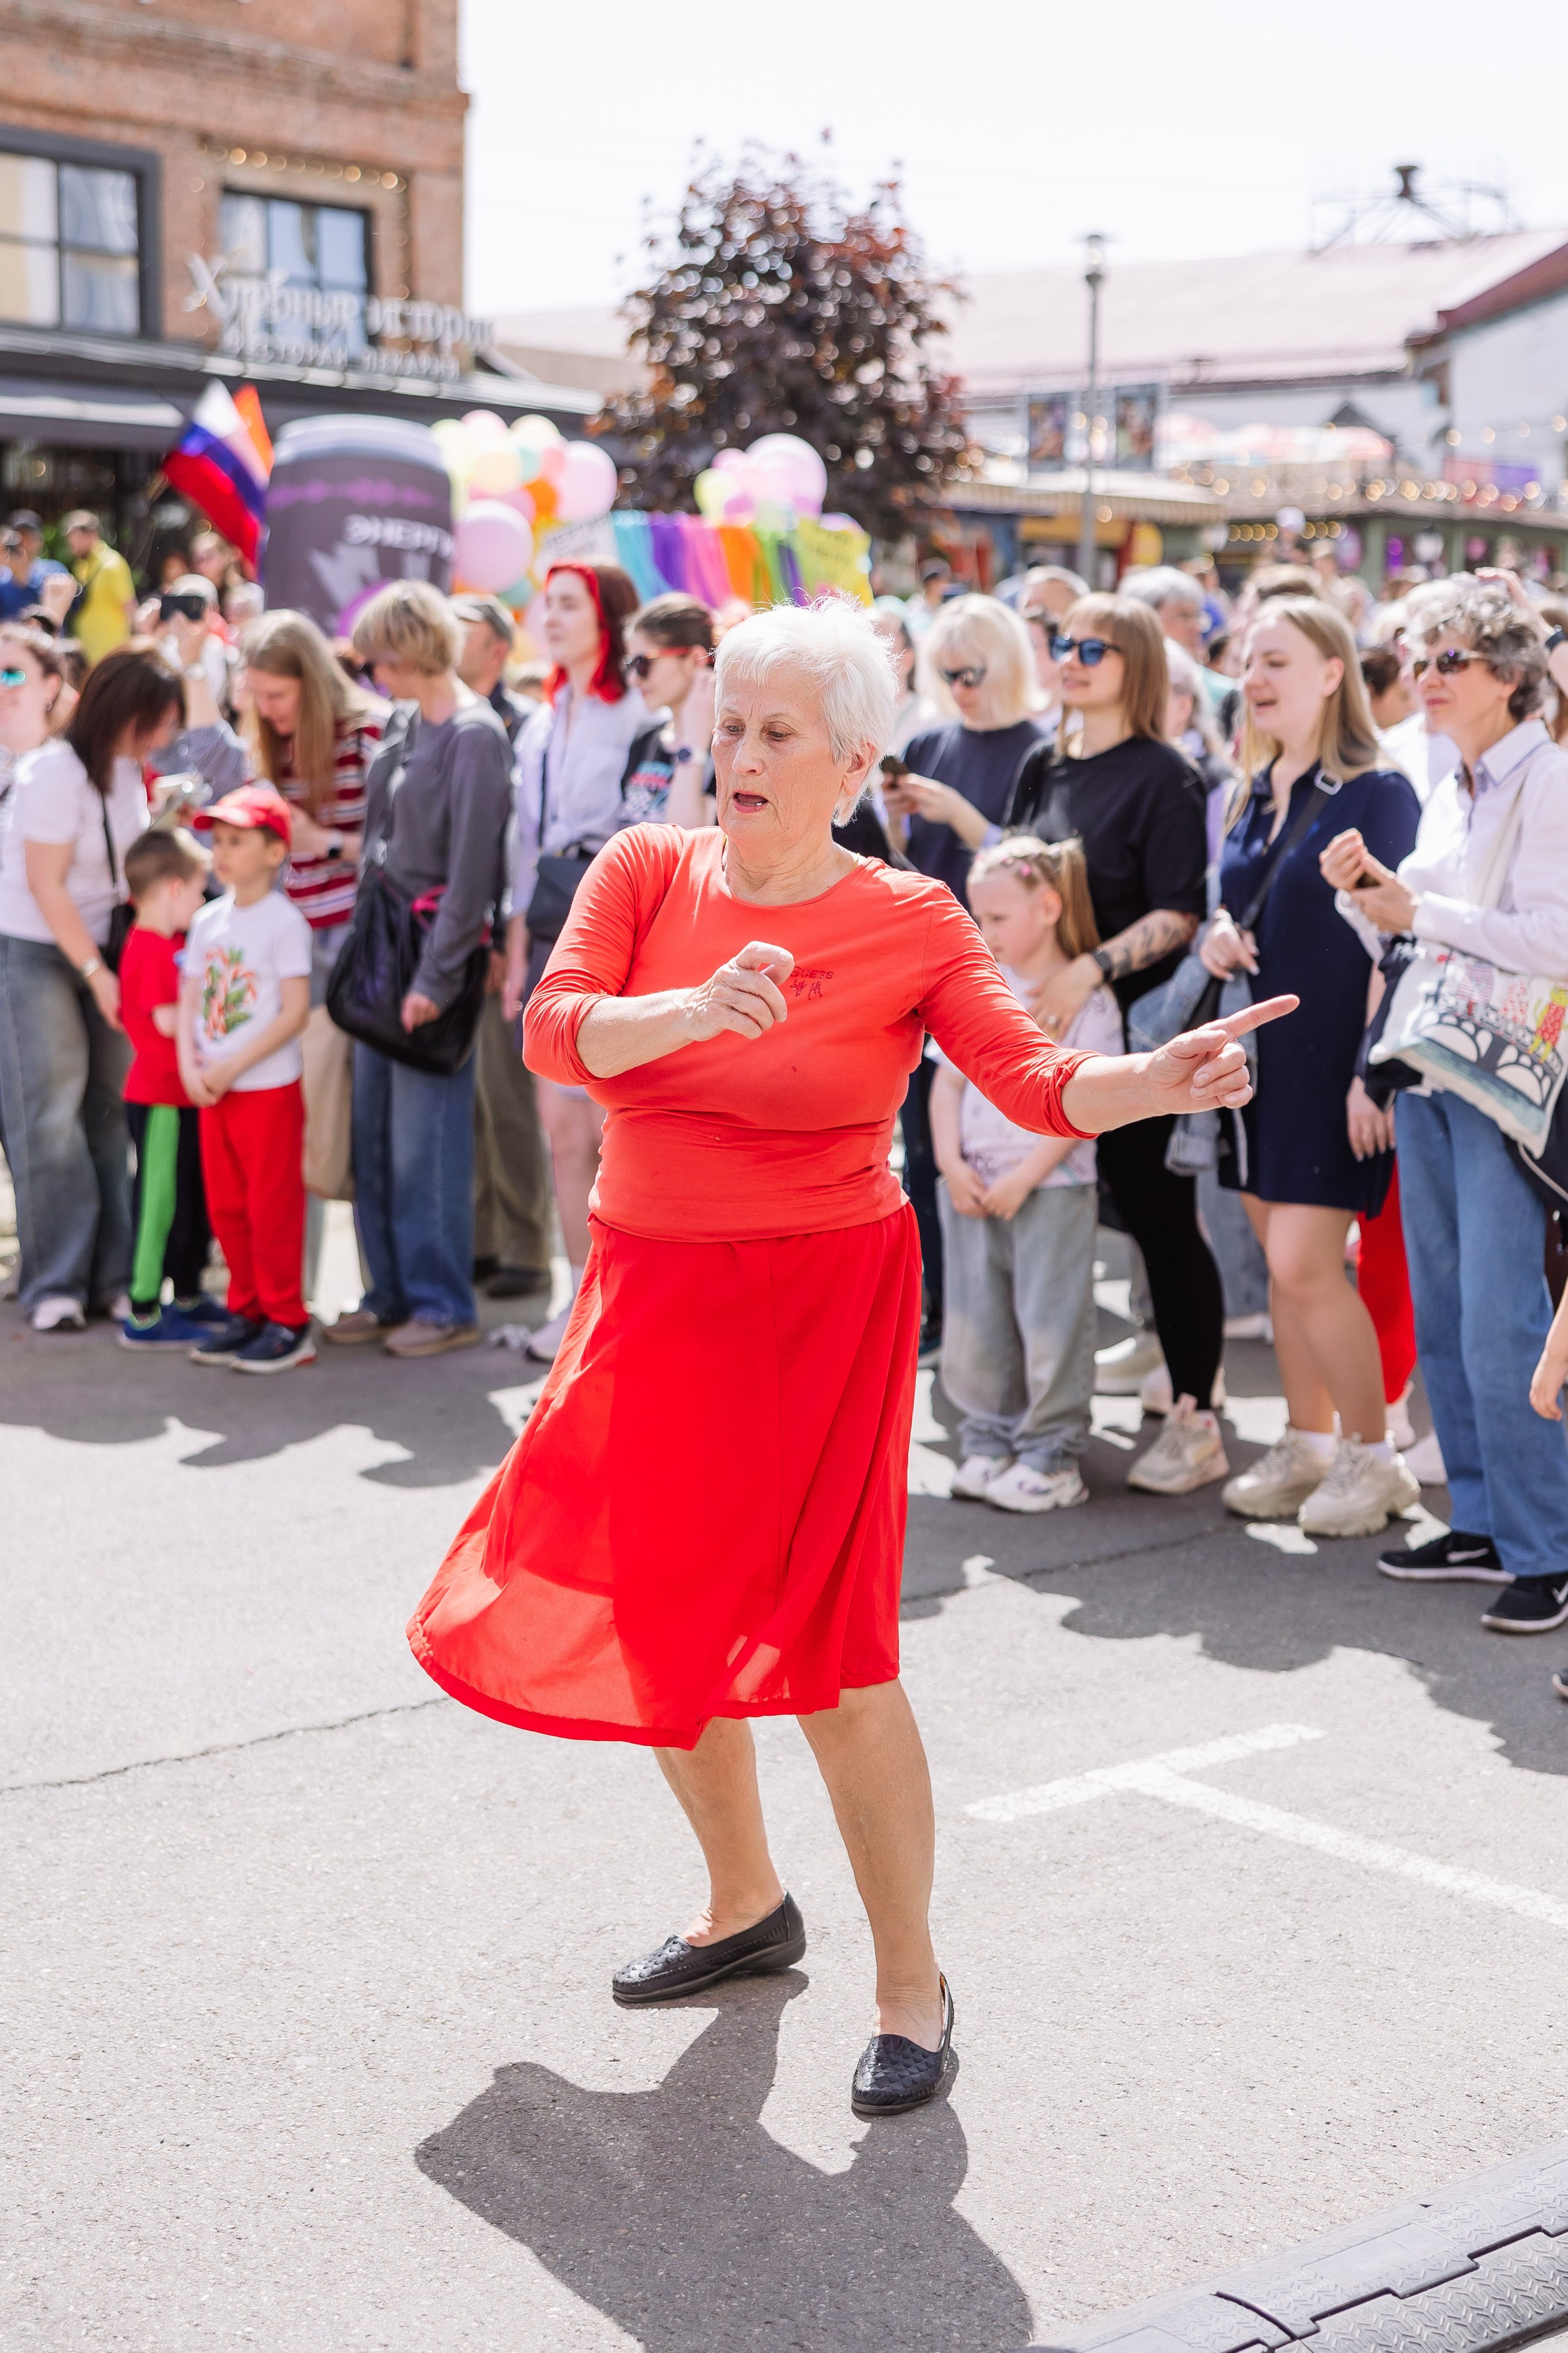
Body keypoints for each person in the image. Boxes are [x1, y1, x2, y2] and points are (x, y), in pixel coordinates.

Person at [405, 596, 1290, 2115]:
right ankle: (743, 1901)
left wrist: (1148, 1076)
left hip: (821, 1300)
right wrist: (684, 1006)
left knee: (826, 1655)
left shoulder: (907, 917)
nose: (735, 753)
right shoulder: (640, 868)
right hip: (647, 1289)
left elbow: (1031, 1075)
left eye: (772, 733)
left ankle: (907, 1980)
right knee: (652, 1609)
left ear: (855, 761)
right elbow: (556, 1032)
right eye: (725, 725)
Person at [1321, 575, 1568, 1632]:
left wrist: (1418, 905)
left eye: (1447, 660)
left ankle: (1545, 1547)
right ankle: (1481, 1518)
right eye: (1419, 658)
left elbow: (1553, 941)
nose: (1422, 676)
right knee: (1448, 1305)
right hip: (1430, 1062)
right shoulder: (1450, 779)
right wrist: (1367, 898)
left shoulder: (1548, 781)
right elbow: (1415, 933)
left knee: (1504, 1314)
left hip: (1506, 1081)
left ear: (1509, 678)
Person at [1200, 598, 1422, 1536]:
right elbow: (1237, 902)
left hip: (1334, 1060)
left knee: (1304, 1261)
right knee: (1282, 1264)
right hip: (1256, 1065)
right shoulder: (1253, 787)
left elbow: (1400, 941)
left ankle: (1373, 1456)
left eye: (1276, 660)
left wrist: (1370, 1074)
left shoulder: (1379, 791)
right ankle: (1305, 1439)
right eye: (1248, 660)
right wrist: (1217, 931)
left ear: (1333, 671)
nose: (1253, 676)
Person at [1009, 594, 1225, 1494]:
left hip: (1134, 1033)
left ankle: (1195, 1416)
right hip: (1044, 1029)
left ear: (1135, 662)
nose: (1071, 657)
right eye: (1062, 642)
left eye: (1093, 645)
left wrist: (1091, 969)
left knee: (1155, 1215)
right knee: (1058, 1212)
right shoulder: (1041, 761)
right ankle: (1034, 1407)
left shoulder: (1165, 774)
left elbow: (1179, 910)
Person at [326, 581, 513, 1359]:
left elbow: (472, 873)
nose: (376, 672)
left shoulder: (476, 734)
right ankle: (388, 1292)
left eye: (385, 658)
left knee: (424, 1142)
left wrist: (434, 980)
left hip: (430, 957)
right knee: (370, 1133)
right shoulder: (405, 722)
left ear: (413, 649)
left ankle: (441, 1301)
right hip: (383, 948)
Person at [879, 595, 1050, 1355]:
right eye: (946, 673)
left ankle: (998, 1326)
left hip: (1000, 971)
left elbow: (1042, 866)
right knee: (921, 1147)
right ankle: (938, 1309)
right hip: (920, 960)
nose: (958, 688)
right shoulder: (928, 739)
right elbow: (898, 861)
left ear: (1004, 665)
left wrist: (963, 818)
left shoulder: (1037, 749)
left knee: (1005, 1142)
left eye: (970, 673)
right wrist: (894, 814)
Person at [932, 834, 1122, 1513]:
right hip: (972, 1184)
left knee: (1051, 1322)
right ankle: (987, 1438)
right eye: (976, 919)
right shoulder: (975, 988)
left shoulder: (1088, 1004)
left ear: (1046, 906)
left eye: (997, 918)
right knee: (975, 1322)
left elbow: (1089, 1106)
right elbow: (946, 1085)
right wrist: (950, 1163)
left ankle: (1051, 1452)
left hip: (1051, 1186)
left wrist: (1023, 1176)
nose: (985, 933)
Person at [0, 642, 181, 1330]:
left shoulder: (127, 770)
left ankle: (116, 1274)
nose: (165, 735)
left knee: (112, 1109)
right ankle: (56, 1281)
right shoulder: (52, 773)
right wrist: (97, 974)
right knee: (49, 1113)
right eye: (156, 721)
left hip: (102, 946)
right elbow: (46, 886)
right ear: (124, 713)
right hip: (39, 951)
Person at [503, 562, 647, 1364]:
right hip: (551, 916)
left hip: (617, 912)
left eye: (569, 603)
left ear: (607, 615)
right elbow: (526, 846)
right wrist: (517, 941)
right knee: (560, 1127)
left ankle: (620, 1299)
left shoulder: (632, 711)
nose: (549, 616)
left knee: (607, 1126)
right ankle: (574, 1293)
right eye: (546, 603)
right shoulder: (542, 716)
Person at [178, 786, 314, 1372]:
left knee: (271, 1206)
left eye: (238, 840)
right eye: (218, 840)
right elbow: (188, 1001)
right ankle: (248, 1310)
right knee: (228, 1207)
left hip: (266, 1090)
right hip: (214, 1091)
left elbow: (293, 1011)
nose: (222, 851)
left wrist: (232, 1066)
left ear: (275, 851)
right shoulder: (208, 920)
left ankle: (289, 1321)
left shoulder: (284, 923)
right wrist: (192, 1065)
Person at [447, 591, 555, 1307]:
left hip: (502, 936)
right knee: (473, 1102)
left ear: (494, 648)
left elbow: (513, 848)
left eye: (460, 632)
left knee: (510, 1099)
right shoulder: (448, 720)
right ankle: (483, 1237)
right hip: (457, 937)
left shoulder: (518, 726)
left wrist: (494, 934)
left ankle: (525, 1244)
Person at [117, 826, 223, 1350]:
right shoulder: (150, 947)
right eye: (200, 889)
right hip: (158, 1097)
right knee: (158, 1201)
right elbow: (164, 1020)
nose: (203, 902)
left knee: (189, 1203)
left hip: (183, 1098)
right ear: (174, 888)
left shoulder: (172, 945)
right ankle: (141, 1308)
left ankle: (186, 1293)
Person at [621, 593, 719, 827]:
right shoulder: (645, 739)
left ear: (695, 660)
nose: (633, 679)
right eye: (629, 665)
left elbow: (687, 839)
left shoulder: (728, 746)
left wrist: (694, 744)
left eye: (643, 664)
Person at [64, 511, 136, 666]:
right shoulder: (82, 565)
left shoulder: (112, 565)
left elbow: (130, 608)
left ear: (93, 536)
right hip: (88, 656)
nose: (73, 547)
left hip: (111, 657)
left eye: (78, 540)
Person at [870, 607, 937, 758]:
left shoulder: (932, 719)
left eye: (882, 650)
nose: (869, 661)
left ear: (908, 659)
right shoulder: (840, 717)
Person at [904, 557, 953, 640]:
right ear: (930, 583)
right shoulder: (916, 605)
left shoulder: (947, 606)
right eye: (941, 582)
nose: (945, 585)